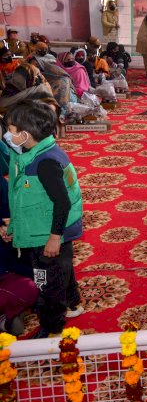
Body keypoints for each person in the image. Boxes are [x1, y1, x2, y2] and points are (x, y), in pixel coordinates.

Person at [1, 100, 84, 338]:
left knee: (46, 284)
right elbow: (27, 198)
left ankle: (52, 329)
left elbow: (62, 202)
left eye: (11, 130)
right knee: (61, 270)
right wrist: (15, 225)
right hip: (42, 227)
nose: (7, 135)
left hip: (47, 234)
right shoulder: (33, 153)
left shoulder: (45, 163)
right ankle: (73, 304)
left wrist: (54, 238)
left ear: (26, 134)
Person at [0, 167, 38, 336]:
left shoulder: (3, 185)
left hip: (8, 267)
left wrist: (10, 226)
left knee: (35, 285)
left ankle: (6, 317)